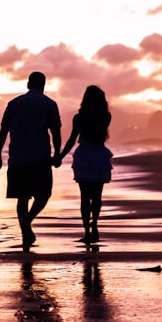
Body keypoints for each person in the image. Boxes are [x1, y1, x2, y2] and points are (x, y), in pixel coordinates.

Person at [0, 72, 62, 249]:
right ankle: (28, 221)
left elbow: (3, 132)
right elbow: (55, 132)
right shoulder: (49, 104)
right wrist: (58, 154)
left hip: (17, 157)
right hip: (40, 158)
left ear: (27, 84)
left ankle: (25, 232)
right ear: (43, 85)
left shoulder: (14, 104)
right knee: (44, 194)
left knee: (22, 198)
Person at [58, 85, 112, 245]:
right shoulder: (106, 116)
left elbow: (72, 139)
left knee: (84, 197)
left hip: (84, 155)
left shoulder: (79, 118)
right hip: (100, 155)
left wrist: (59, 156)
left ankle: (87, 232)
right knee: (97, 196)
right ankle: (94, 226)